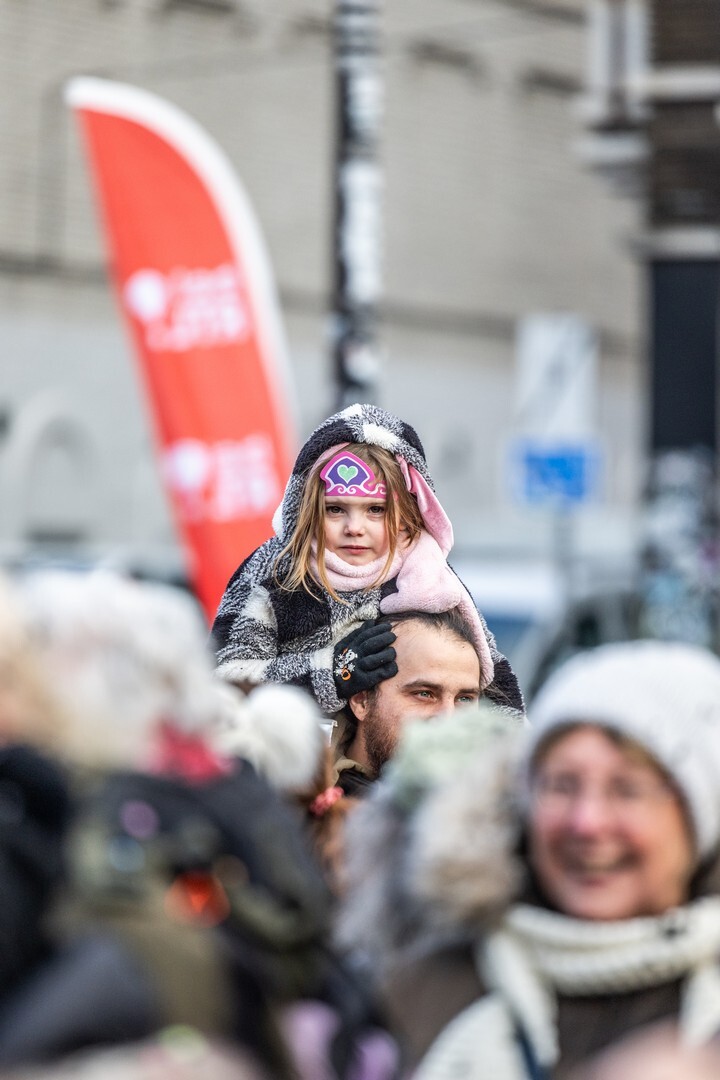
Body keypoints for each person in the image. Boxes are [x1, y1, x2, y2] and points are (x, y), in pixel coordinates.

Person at [339, 640, 720, 1079]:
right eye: (562, 785)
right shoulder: (422, 982)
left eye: (627, 790)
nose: (586, 822)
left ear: (702, 815)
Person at [211, 403, 522, 719]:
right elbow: (225, 681)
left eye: (376, 510)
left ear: (405, 516)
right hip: (299, 746)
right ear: (308, 511)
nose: (354, 528)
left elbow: (493, 682)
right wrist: (334, 670)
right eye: (335, 509)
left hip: (404, 746)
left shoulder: (429, 577)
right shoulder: (276, 570)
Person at [333, 608, 508, 795]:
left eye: (465, 699)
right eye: (424, 694)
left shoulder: (500, 803)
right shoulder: (312, 799)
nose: (448, 718)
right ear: (362, 702)